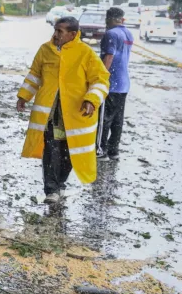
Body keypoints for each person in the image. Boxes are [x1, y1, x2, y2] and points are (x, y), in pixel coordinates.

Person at [17, 17, 111, 203]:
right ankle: (51, 189)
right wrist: (23, 96)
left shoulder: (85, 53)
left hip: (75, 115)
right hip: (50, 115)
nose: (55, 34)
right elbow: (34, 75)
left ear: (72, 34)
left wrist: (91, 101)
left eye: (60, 31)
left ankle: (60, 183)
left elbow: (101, 80)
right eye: (55, 30)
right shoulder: (45, 50)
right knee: (51, 150)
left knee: (69, 153)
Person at [97, 7, 133, 160]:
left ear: (109, 18)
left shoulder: (111, 34)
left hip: (111, 83)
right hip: (124, 83)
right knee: (117, 119)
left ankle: (101, 150)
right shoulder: (128, 33)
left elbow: (108, 58)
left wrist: (100, 79)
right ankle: (113, 151)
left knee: (104, 118)